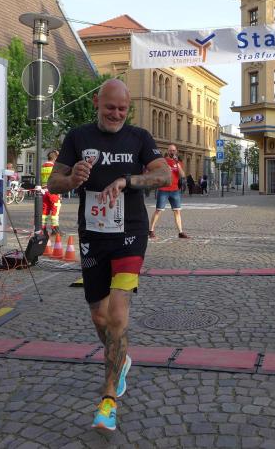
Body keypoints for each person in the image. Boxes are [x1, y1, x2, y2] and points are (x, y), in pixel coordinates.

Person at [46, 78, 171, 431]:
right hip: (93, 235)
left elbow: (163, 175)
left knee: (117, 313)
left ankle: (108, 399)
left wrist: (128, 181)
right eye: (110, 107)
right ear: (97, 104)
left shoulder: (139, 137)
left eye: (122, 109)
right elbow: (53, 182)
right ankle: (121, 358)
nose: (116, 114)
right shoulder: (78, 137)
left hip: (131, 233)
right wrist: (71, 180)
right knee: (99, 317)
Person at [149, 144, 189, 239]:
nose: (172, 152)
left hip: (175, 190)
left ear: (176, 151)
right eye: (170, 150)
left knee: (177, 211)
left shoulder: (178, 162)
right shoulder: (163, 161)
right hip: (163, 189)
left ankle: (180, 232)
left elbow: (182, 175)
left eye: (174, 150)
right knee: (159, 210)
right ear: (168, 151)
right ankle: (151, 230)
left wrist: (177, 163)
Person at [41, 150, 62, 235]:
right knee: (55, 209)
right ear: (55, 158)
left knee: (45, 210)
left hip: (44, 191)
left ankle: (43, 229)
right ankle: (55, 229)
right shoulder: (54, 167)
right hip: (53, 191)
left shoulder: (43, 166)